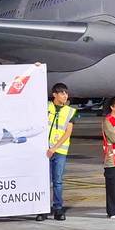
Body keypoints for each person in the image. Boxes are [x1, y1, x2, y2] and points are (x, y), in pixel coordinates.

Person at [37, 82, 76, 221]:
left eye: (66, 93)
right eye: (62, 93)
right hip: (44, 150)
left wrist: (54, 148)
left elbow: (67, 133)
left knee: (57, 181)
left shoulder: (70, 111)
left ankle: (58, 209)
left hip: (59, 151)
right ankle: (43, 209)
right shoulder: (45, 107)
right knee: (44, 181)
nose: (65, 96)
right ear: (54, 94)